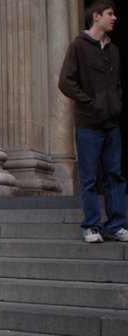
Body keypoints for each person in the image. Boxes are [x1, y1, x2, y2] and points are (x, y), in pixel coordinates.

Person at [58, 0, 128, 243]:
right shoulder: (78, 46)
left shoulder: (113, 50)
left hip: (111, 123)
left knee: (114, 175)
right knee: (89, 177)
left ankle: (116, 225)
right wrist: (90, 103)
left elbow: (116, 84)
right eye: (110, 14)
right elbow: (66, 82)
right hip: (88, 123)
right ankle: (91, 226)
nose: (114, 18)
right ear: (96, 16)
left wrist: (115, 103)